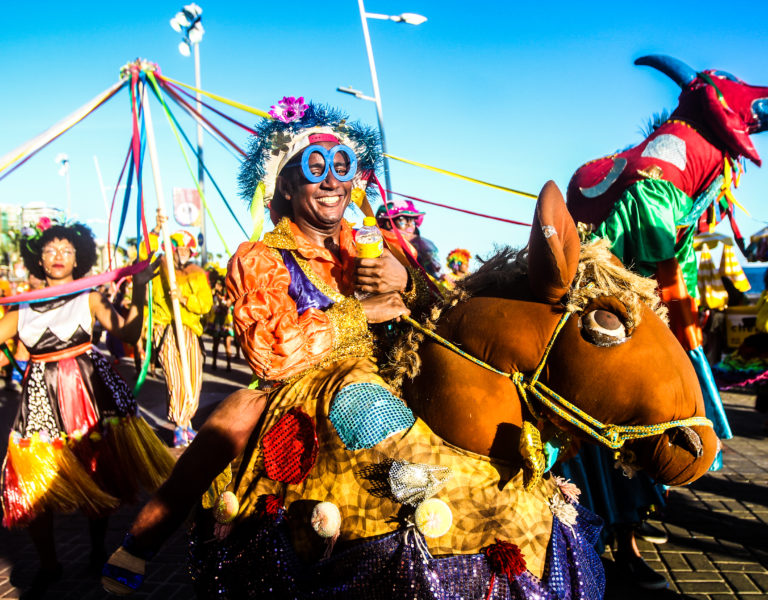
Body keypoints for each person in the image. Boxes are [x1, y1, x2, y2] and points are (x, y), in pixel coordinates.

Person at [102, 101, 435, 597]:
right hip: (302, 385)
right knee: (227, 427)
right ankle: (141, 542)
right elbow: (269, 352)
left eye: (341, 167)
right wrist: (355, 314)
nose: (331, 181)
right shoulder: (258, 257)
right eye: (315, 168)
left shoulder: (376, 241)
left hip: (396, 374)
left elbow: (440, 314)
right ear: (285, 184)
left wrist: (407, 279)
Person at [0, 219, 174, 599]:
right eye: (50, 250)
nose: (58, 255)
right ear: (39, 260)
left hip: (91, 397)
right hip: (40, 403)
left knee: (99, 477)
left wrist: (141, 290)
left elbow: (127, 334)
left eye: (66, 249)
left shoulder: (89, 298)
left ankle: (97, 551)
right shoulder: (21, 307)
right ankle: (49, 565)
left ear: (79, 258)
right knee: (33, 490)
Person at [149, 229, 213, 447]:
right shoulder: (159, 267)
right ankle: (179, 425)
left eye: (187, 249)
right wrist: (155, 231)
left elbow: (206, 304)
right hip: (166, 327)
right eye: (179, 248)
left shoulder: (196, 271)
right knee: (175, 378)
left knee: (193, 378)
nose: (183, 252)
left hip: (189, 329)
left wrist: (185, 299)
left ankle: (187, 424)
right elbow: (142, 257)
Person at [376, 199, 442, 279]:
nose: (410, 225)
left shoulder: (420, 246)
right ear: (389, 224)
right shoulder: (379, 242)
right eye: (403, 221)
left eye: (412, 222)